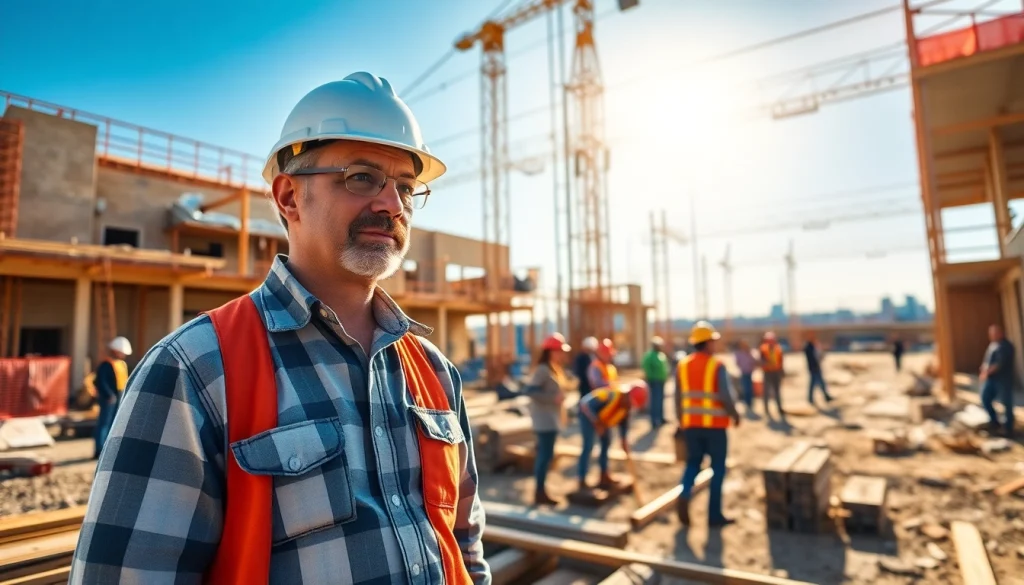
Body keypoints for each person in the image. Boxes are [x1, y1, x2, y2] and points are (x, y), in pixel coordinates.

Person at [71, 73, 490, 584]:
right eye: (362, 177)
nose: (392, 204)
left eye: (405, 187)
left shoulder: (435, 373)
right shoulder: (195, 370)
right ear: (289, 197)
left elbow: (464, 544)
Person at [676, 321, 740, 527]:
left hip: (691, 425)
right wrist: (735, 414)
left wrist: (681, 421)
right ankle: (714, 515)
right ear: (707, 343)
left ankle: (685, 492)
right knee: (718, 469)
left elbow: (678, 397)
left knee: (693, 463)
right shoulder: (716, 365)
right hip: (715, 427)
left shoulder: (683, 365)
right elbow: (725, 396)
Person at [576, 339, 647, 490]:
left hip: (604, 416)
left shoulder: (625, 404)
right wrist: (596, 423)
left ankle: (604, 475)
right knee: (588, 446)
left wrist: (623, 440)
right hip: (590, 413)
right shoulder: (599, 374)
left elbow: (623, 423)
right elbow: (585, 404)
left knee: (606, 444)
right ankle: (581, 479)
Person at [527, 333, 572, 506]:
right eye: (559, 351)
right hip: (544, 422)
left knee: (547, 456)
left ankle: (541, 490)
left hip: (551, 419)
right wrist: (552, 398)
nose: (562, 354)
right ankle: (539, 492)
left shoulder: (554, 368)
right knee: (544, 457)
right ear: (550, 351)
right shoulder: (543, 370)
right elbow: (530, 391)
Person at [91, 336, 131, 459]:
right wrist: (109, 395)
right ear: (116, 351)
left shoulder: (121, 364)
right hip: (109, 398)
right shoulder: (106, 364)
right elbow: (99, 381)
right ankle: (99, 450)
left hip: (119, 396)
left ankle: (108, 449)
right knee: (104, 423)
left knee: (114, 424)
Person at [980, 324, 1015, 438]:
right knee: (985, 399)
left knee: (1006, 404)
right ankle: (995, 422)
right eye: (991, 333)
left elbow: (999, 364)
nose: (993, 336)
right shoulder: (993, 345)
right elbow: (987, 360)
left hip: (1003, 379)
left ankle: (1008, 429)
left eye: (995, 333)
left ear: (1001, 333)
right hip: (991, 380)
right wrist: (984, 368)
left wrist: (987, 372)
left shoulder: (1006, 346)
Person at [641, 336, 670, 426]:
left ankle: (661, 418)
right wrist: (650, 377)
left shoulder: (661, 355)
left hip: (661, 381)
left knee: (661, 400)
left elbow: (665, 367)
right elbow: (646, 367)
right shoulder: (649, 356)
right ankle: (654, 421)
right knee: (655, 401)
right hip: (654, 381)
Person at [759, 331, 785, 419]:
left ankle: (779, 408)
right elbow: (761, 360)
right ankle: (766, 409)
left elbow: (781, 360)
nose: (771, 341)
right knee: (766, 391)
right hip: (767, 372)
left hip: (776, 372)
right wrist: (766, 363)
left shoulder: (778, 348)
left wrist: (782, 371)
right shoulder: (763, 349)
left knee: (777, 391)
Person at [804, 333, 832, 405]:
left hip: (816, 367)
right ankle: (811, 398)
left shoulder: (812, 347)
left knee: (820, 383)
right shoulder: (809, 348)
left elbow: (819, 356)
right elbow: (814, 358)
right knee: (814, 384)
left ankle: (825, 396)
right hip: (814, 368)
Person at [733, 340, 757, 411]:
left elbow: (753, 361)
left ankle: (750, 402)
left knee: (750, 388)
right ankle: (747, 402)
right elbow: (737, 362)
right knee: (746, 388)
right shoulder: (738, 353)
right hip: (744, 372)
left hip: (749, 372)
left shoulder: (748, 352)